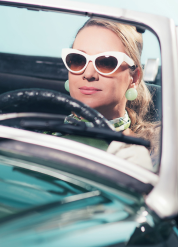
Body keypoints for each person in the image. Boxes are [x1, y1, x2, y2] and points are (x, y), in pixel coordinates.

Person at [62, 18, 160, 170]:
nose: (88, 74)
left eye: (106, 63)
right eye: (78, 59)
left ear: (133, 78)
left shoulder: (151, 152)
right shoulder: (35, 130)